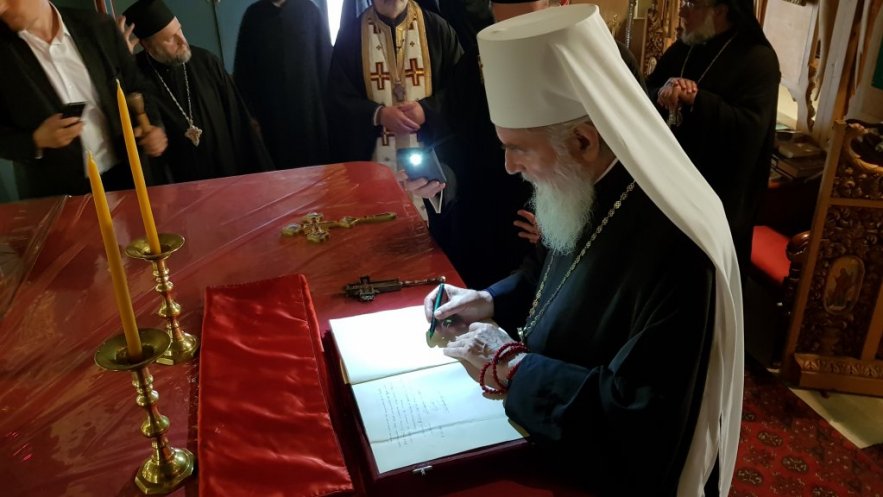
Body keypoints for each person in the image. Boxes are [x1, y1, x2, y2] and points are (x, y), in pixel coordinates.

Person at [424, 5, 743, 496]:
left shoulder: (678, 246)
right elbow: (545, 276)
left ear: (582, 141)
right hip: (546, 429)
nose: (509, 166)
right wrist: (487, 300)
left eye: (518, 148)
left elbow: (639, 420)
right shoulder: (582, 184)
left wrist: (512, 364)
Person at [439, 0, 648, 289]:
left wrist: (571, 219)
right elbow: (454, 139)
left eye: (527, 26)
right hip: (488, 223)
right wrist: (439, 174)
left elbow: (628, 157)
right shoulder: (472, 66)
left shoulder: (605, 58)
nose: (513, 40)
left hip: (569, 219)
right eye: (502, 26)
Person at [646, 0, 780, 270]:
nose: (681, 11)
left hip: (715, 201)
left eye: (690, 4)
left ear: (720, 9)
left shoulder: (758, 59)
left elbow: (749, 130)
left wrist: (697, 100)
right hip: (667, 188)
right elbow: (644, 92)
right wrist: (664, 92)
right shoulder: (685, 46)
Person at [0, 0, 167, 200]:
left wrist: (154, 126)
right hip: (59, 195)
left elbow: (137, 86)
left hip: (128, 178)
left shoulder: (98, 26)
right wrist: (36, 140)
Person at [326, 0, 462, 216]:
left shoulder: (438, 29)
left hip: (433, 170)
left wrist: (426, 111)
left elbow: (462, 91)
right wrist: (377, 114)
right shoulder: (351, 37)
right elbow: (337, 100)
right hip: (376, 166)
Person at [122, 0, 274, 183]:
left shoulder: (207, 61)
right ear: (147, 46)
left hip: (227, 176)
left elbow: (238, 120)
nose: (182, 41)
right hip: (178, 186)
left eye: (179, 30)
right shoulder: (136, 75)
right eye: (169, 39)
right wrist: (122, 62)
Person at [234, 0, 332, 169]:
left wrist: (329, 112)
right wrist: (250, 116)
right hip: (270, 120)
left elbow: (326, 64)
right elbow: (243, 72)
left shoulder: (310, 11)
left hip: (310, 116)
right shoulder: (253, 16)